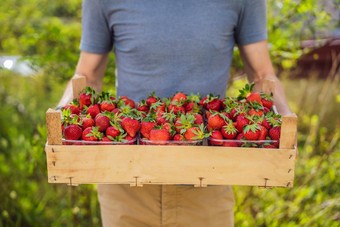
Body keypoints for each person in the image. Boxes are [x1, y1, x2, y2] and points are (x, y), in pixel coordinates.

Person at [58, 0, 293, 226]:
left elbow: (262, 75)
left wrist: (285, 120)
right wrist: (61, 112)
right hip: (126, 182)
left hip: (207, 181)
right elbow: (87, 75)